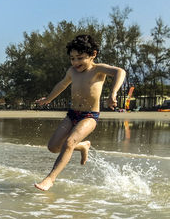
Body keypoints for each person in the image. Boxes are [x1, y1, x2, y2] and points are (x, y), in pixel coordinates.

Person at [34, 35, 126, 191]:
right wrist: (48, 99)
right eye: (72, 58)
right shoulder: (72, 71)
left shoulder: (98, 69)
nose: (75, 63)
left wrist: (113, 94)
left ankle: (50, 179)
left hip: (89, 116)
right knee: (53, 146)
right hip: (72, 114)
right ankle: (83, 146)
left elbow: (120, 72)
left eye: (80, 58)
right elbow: (62, 85)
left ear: (93, 55)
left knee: (69, 143)